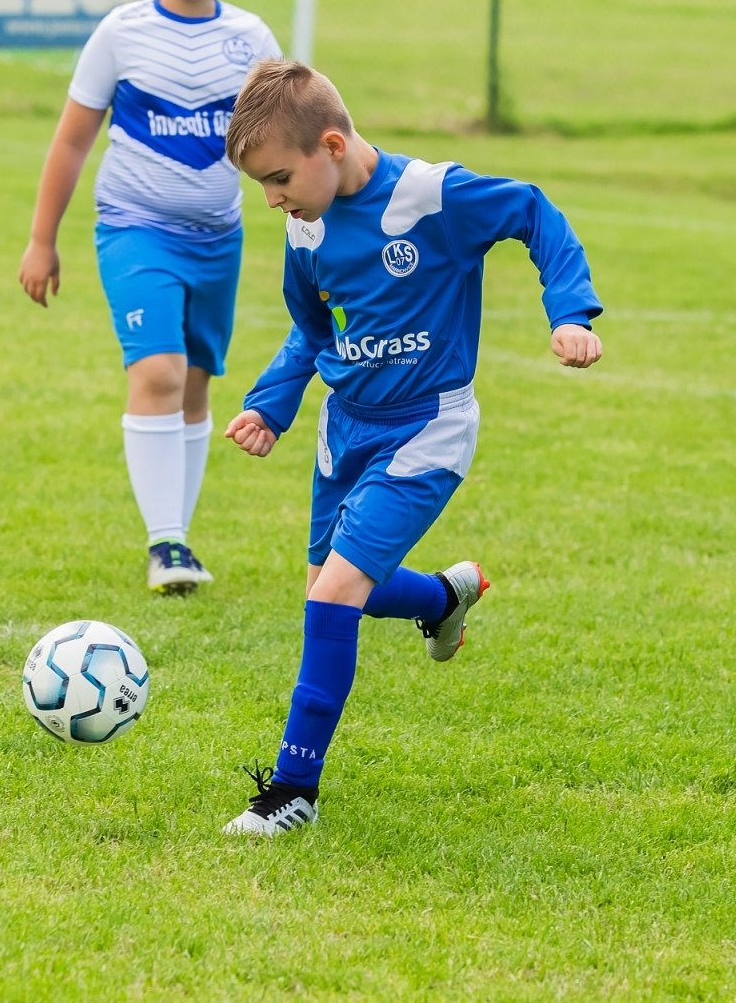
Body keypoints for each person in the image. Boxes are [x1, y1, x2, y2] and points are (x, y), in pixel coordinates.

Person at [215, 60, 603, 836]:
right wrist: (271, 403)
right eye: (263, 185)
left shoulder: (431, 197)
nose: (273, 199)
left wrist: (571, 311)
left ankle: (294, 790)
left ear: (332, 144)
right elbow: (314, 331)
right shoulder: (306, 226)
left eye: (281, 177)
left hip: (427, 429)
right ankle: (443, 597)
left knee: (330, 601)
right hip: (345, 428)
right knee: (330, 590)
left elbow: (532, 210)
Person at [17, 0, 279, 594]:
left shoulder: (251, 40)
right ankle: (166, 543)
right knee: (158, 373)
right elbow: (73, 140)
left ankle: (178, 539)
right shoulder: (121, 32)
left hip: (219, 240)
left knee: (193, 384)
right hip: (136, 231)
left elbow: (292, 137)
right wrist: (42, 239)